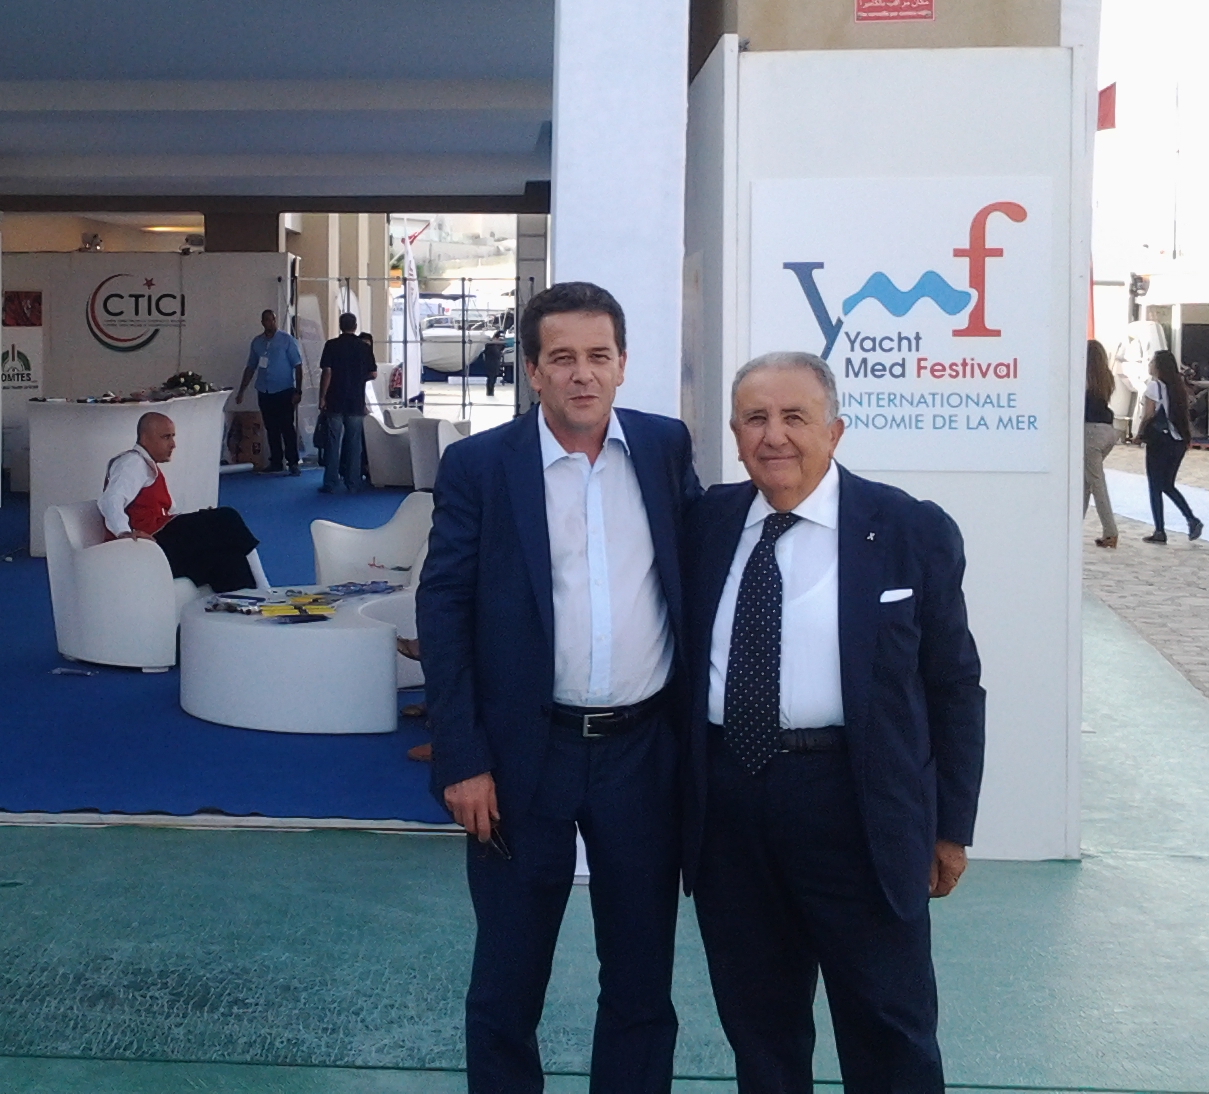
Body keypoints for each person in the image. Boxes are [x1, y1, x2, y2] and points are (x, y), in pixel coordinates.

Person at [415, 281, 703, 1094]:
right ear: (533, 370)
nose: (584, 374)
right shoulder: (481, 466)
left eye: (599, 356)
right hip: (521, 759)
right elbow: (444, 607)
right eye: (563, 358)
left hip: (642, 756)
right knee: (507, 985)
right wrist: (462, 756)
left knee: (642, 983)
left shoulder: (663, 447)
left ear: (622, 364)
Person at [680, 351, 984, 1094]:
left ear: (835, 431)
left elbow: (954, 686)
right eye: (755, 418)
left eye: (795, 417)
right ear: (735, 434)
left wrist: (950, 828)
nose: (774, 435)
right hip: (731, 807)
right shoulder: (705, 523)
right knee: (760, 1030)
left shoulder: (909, 528)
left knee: (888, 1028)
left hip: (857, 806)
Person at [98, 411, 259, 593]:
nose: (173, 444)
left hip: (159, 543)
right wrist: (123, 533)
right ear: (145, 438)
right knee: (227, 518)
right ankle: (264, 588)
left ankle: (246, 602)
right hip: (149, 545)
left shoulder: (146, 465)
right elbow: (110, 499)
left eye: (173, 437)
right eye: (166, 437)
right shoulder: (132, 463)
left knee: (226, 558)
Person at [1137, 350, 1202, 545]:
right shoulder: (1177, 387)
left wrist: (1139, 434)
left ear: (1157, 366)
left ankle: (1160, 530)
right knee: (1167, 484)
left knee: (1155, 486)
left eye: (1152, 361)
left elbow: (1149, 414)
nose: (1149, 364)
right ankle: (1191, 518)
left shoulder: (1154, 386)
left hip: (1159, 441)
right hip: (1177, 441)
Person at [234, 308, 303, 476]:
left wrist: (298, 391)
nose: (269, 323)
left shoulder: (287, 340)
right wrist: (241, 390)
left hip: (284, 390)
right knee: (271, 428)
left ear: (275, 320)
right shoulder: (257, 342)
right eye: (265, 320)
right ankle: (276, 461)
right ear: (262, 322)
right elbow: (251, 367)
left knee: (287, 427)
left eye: (271, 319)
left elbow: (298, 365)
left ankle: (293, 462)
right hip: (264, 390)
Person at [318, 313, 377, 495]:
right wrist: (358, 379)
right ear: (355, 326)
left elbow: (327, 372)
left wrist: (322, 397)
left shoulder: (331, 345)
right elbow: (373, 373)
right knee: (354, 443)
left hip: (335, 399)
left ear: (340, 325)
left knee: (333, 442)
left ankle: (330, 482)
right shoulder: (364, 347)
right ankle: (353, 482)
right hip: (355, 400)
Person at [1082, 340, 1120, 549]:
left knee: (1096, 483)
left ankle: (1110, 531)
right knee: (1087, 481)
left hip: (1090, 432)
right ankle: (1073, 525)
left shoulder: (1083, 377)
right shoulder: (1106, 377)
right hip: (1108, 430)